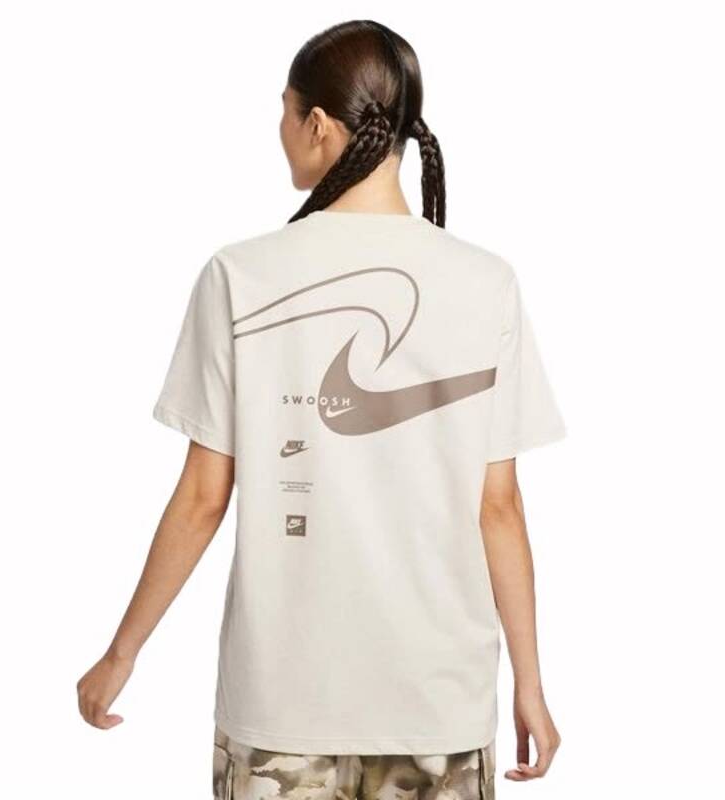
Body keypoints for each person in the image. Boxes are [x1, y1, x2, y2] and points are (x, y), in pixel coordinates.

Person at [77, 19, 566, 800]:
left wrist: (121, 654)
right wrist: (530, 684)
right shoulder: (485, 283)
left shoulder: (242, 275)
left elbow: (204, 497)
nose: (278, 129)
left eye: (283, 109)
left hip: (282, 706)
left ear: (316, 124)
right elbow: (498, 506)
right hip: (437, 705)